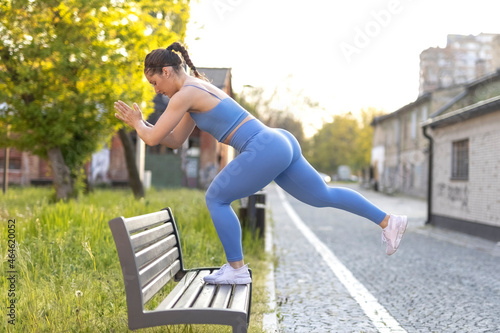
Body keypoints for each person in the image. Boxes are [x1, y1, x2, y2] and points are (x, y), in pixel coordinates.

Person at [114, 42, 408, 285]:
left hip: (263, 147)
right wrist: (146, 128)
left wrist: (138, 123)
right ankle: (388, 221)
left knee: (216, 198)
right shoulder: (196, 89)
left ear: (166, 71)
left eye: (154, 82)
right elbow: (174, 140)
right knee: (323, 196)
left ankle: (237, 269)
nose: (155, 90)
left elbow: (151, 138)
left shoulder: (186, 93)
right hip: (279, 142)